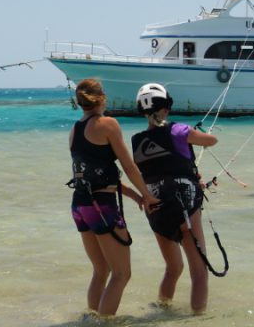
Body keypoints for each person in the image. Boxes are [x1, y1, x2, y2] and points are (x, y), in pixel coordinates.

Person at [68, 78, 159, 317]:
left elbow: (96, 177)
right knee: (121, 273)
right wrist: (148, 195)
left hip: (81, 206)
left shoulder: (74, 130)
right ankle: (105, 323)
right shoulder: (108, 124)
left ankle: (92, 319)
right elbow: (128, 166)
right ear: (102, 98)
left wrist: (135, 196)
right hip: (102, 208)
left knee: (101, 269)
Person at [131, 83, 218, 314]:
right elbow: (211, 141)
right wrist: (191, 133)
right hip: (184, 205)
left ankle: (162, 309)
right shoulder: (179, 131)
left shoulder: (137, 141)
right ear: (167, 108)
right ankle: (198, 317)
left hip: (156, 207)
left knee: (173, 267)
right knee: (199, 271)